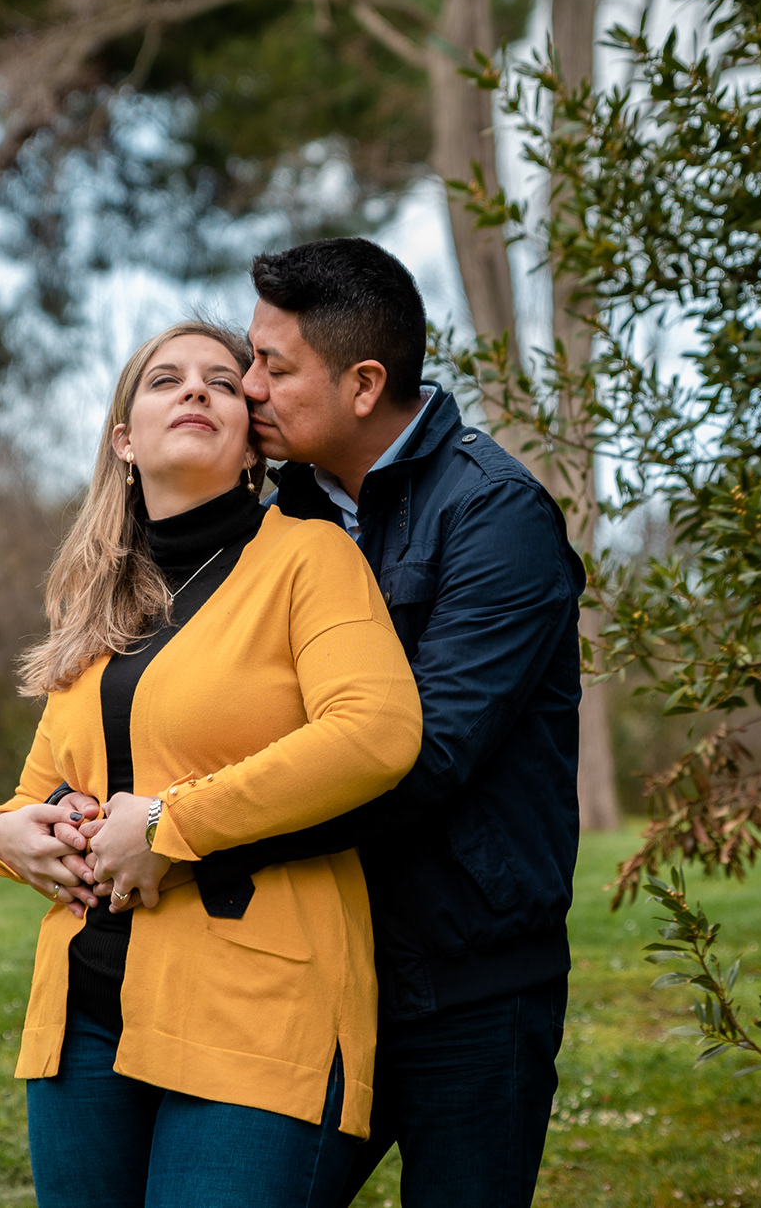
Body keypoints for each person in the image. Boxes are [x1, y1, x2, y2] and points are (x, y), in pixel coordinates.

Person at [76, 239, 586, 1207]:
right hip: (310, 970)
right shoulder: (286, 510)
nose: (249, 385)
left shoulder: (495, 518)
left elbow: (418, 757)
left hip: (467, 978)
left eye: (274, 366)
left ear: (362, 384)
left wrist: (180, 835)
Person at [0, 319, 422, 1208]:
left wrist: (170, 825)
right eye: (166, 380)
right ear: (123, 441)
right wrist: (2, 834)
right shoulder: (97, 598)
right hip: (83, 1017)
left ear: (251, 441)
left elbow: (375, 731)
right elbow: (34, 792)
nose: (197, 391)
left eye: (223, 381)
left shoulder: (308, 557)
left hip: (258, 1004)